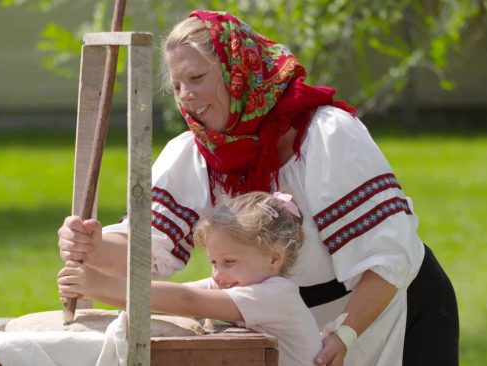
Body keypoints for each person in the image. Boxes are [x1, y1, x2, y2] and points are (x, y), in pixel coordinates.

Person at [57, 10, 459, 366]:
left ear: (238, 71)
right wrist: (91, 247)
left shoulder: (326, 136)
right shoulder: (193, 154)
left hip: (387, 316)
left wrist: (346, 333)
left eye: (197, 78)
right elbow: (148, 251)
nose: (187, 97)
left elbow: (390, 255)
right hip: (289, 328)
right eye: (177, 86)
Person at [58, 191, 322, 366]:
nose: (217, 274)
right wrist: (91, 290)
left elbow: (187, 300)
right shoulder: (236, 282)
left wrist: (100, 285)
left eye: (229, 262)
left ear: (274, 259)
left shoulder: (276, 295)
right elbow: (166, 297)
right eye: (214, 263)